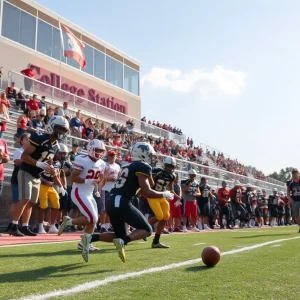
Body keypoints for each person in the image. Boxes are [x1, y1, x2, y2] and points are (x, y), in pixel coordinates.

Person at [84, 142, 174, 263]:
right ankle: (123, 242)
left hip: (112, 200)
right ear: (144, 154)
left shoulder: (127, 166)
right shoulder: (142, 166)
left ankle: (89, 238)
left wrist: (149, 173)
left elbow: (149, 185)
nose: (152, 158)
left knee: (120, 234)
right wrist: (164, 194)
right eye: (150, 155)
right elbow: (147, 191)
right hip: (121, 201)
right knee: (147, 230)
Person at [9, 116, 69, 236]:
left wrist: (53, 172)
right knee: (25, 199)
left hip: (37, 175)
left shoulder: (56, 146)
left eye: (63, 130)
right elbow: (24, 156)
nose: (61, 132)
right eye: (59, 128)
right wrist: (38, 163)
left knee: (31, 202)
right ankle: (14, 225)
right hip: (26, 170)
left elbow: (49, 161)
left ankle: (25, 226)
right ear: (52, 127)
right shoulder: (39, 138)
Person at [58, 139, 107, 261]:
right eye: (98, 150)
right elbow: (73, 177)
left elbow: (100, 180)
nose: (100, 153)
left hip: (90, 192)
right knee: (92, 218)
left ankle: (83, 244)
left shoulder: (102, 163)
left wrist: (99, 183)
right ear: (90, 149)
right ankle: (69, 222)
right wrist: (87, 181)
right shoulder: (82, 159)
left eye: (101, 151)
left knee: (93, 221)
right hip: (79, 191)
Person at [147, 156, 176, 248]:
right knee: (159, 216)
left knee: (166, 216)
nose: (170, 168)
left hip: (163, 196)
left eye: (172, 166)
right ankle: (142, 227)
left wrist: (171, 194)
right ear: (164, 165)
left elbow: (170, 188)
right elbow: (148, 182)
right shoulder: (157, 172)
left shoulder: (172, 176)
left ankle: (156, 241)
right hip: (153, 195)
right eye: (168, 166)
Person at [99, 150, 121, 233]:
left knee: (110, 209)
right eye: (111, 155)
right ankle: (102, 226)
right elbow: (100, 177)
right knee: (104, 209)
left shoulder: (117, 166)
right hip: (105, 188)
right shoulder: (105, 165)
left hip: (113, 189)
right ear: (108, 156)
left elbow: (119, 177)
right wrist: (109, 178)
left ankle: (107, 226)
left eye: (114, 155)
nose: (113, 157)